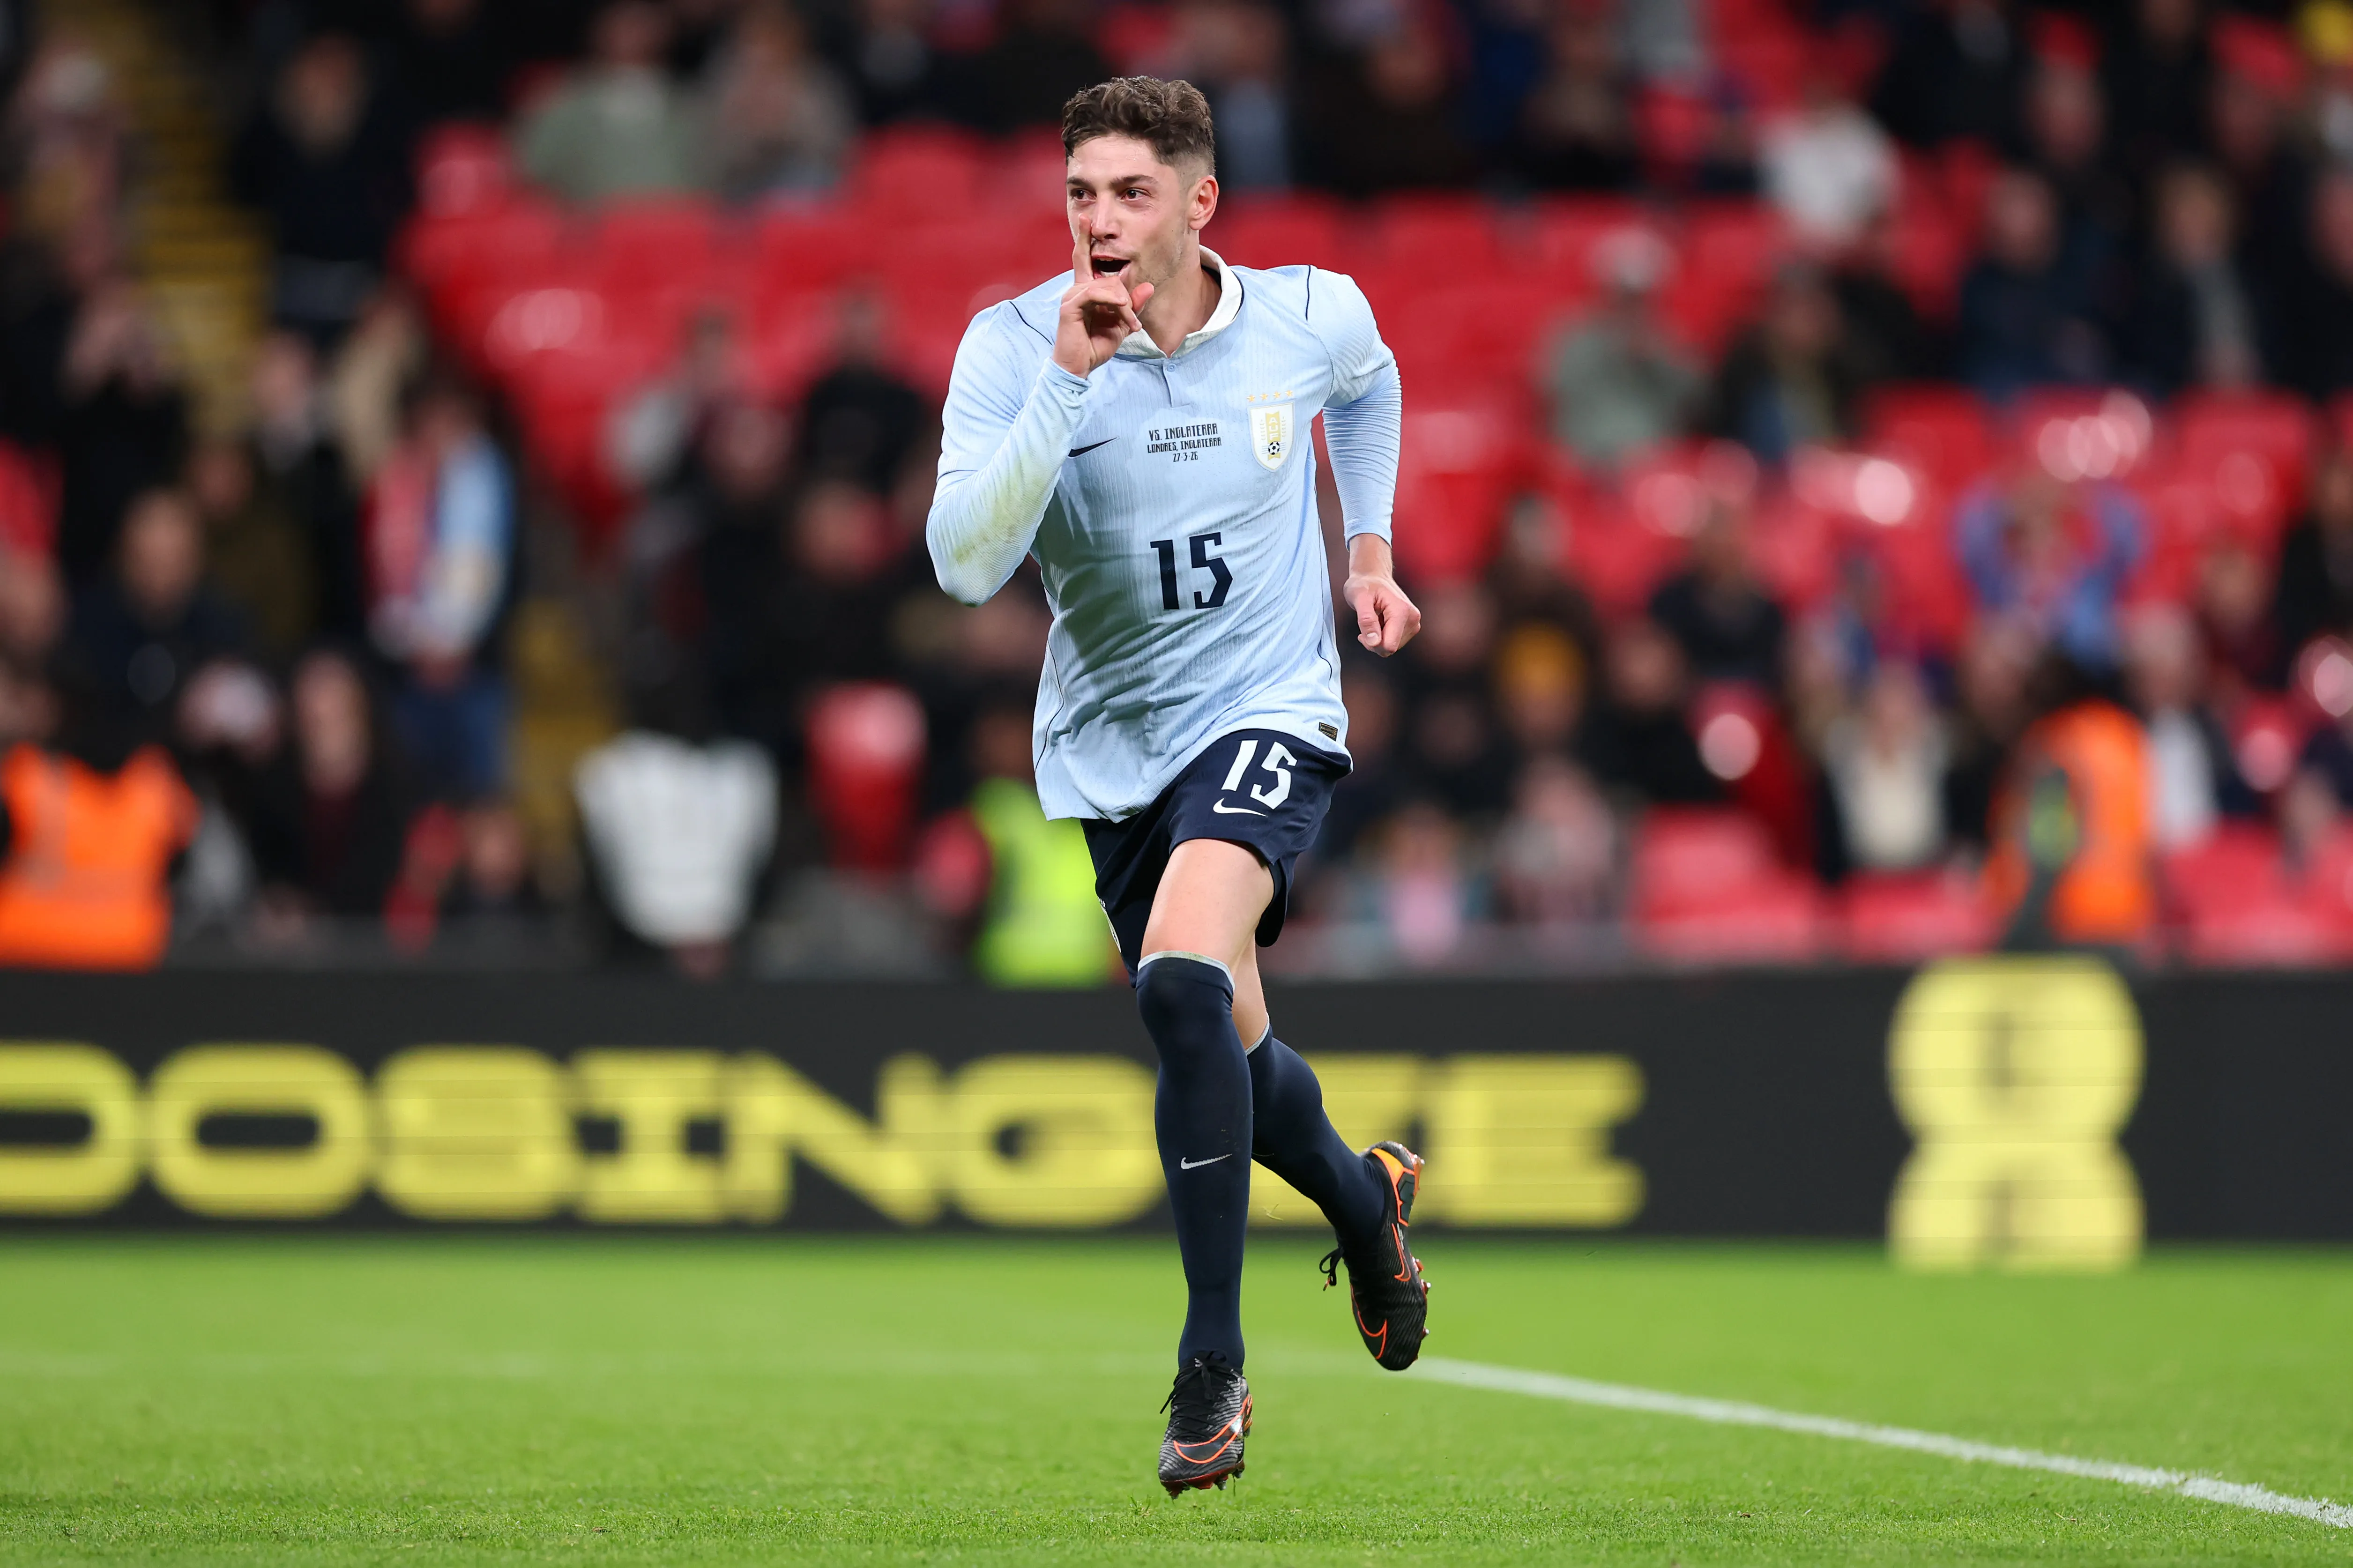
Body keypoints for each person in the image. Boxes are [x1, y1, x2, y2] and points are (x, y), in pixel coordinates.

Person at [925, 77, 1428, 1494]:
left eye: (1130, 192)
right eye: (1080, 192)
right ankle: (1361, 1196)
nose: (1099, 221)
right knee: (1231, 1051)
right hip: (1111, 752)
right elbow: (966, 566)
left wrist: (1369, 548)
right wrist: (1068, 381)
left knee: (1174, 987)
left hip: (1269, 709)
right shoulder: (1011, 346)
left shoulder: (1303, 313)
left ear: (1199, 204)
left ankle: (1213, 1363)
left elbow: (1371, 379)